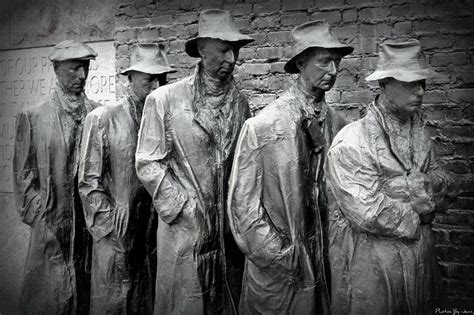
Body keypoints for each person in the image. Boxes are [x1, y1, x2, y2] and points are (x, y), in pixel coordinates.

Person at [227, 20, 353, 314]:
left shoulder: (340, 126)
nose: (333, 71)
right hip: (280, 273)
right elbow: (242, 208)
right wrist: (281, 256)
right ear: (301, 62)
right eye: (324, 61)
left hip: (327, 263)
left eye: (336, 62)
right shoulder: (262, 128)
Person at [325, 39, 458, 314]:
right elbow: (368, 211)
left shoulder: (420, 133)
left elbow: (448, 184)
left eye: (422, 82)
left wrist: (413, 187)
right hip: (374, 274)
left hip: (421, 267)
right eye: (410, 82)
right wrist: (419, 211)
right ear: (384, 84)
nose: (420, 91)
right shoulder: (352, 142)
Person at [135, 9, 253, 314]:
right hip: (183, 234)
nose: (232, 58)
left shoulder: (240, 103)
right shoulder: (164, 100)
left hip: (227, 236)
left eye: (236, 50)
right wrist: (185, 209)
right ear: (202, 49)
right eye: (225, 49)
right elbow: (148, 163)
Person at [78, 44, 176, 314]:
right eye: (149, 78)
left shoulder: (165, 121)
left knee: (145, 301)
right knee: (114, 302)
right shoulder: (103, 119)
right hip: (115, 236)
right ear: (130, 78)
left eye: (161, 78)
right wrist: (111, 225)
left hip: (150, 235)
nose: (156, 84)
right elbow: (88, 183)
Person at [13, 40, 100, 314]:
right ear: (57, 69)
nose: (82, 76)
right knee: (48, 300)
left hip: (89, 232)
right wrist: (41, 215)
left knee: (85, 297)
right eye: (75, 69)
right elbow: (23, 174)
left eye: (85, 68)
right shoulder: (34, 117)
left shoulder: (97, 115)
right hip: (50, 229)